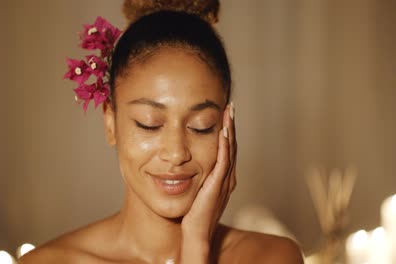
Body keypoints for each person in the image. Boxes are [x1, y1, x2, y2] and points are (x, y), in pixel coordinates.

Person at [20, 1, 304, 263]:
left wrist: (196, 244)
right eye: (149, 123)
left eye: (201, 126)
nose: (176, 152)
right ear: (110, 123)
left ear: (227, 127)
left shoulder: (270, 257)